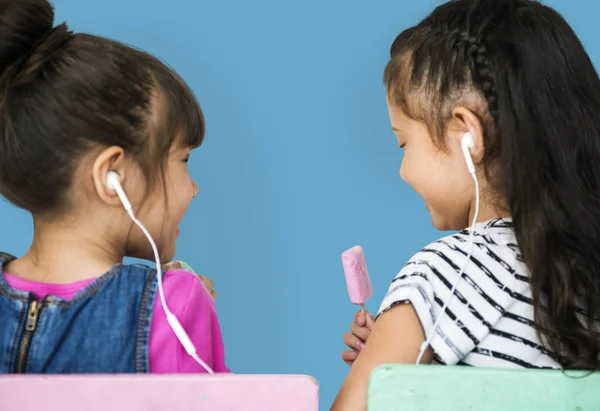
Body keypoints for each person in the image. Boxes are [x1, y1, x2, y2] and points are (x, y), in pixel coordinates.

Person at [334, 0, 600, 409]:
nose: (402, 170)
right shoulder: (586, 275)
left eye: (403, 142)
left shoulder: (444, 275)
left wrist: (401, 337)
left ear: (467, 133)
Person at [0, 0, 228, 374]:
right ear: (112, 177)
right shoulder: (175, 304)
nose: (194, 188)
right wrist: (184, 315)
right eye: (183, 160)